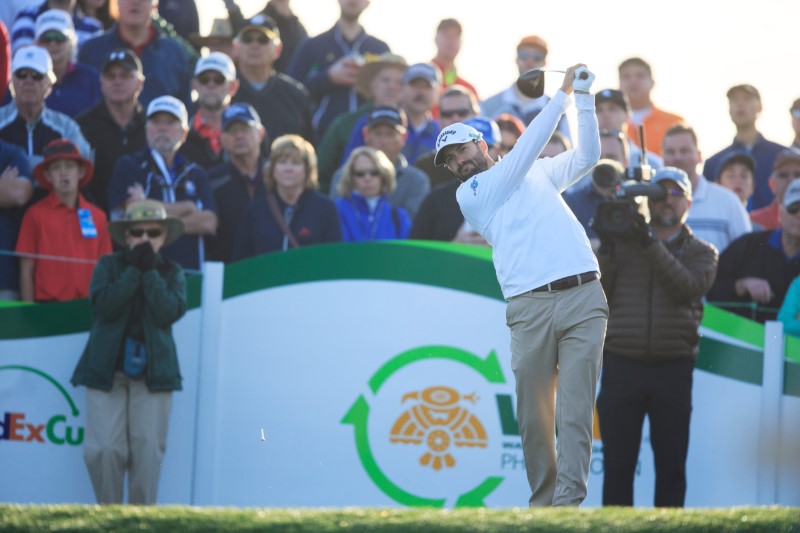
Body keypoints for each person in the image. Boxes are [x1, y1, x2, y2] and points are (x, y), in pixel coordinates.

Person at [435, 64, 605, 506]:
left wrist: (583, 99)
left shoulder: (535, 171)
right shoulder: (471, 194)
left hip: (584, 295)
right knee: (534, 417)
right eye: (450, 160)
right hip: (529, 308)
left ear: (481, 142)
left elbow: (587, 158)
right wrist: (562, 94)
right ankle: (542, 503)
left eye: (460, 149)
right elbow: (525, 153)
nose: (458, 161)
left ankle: (566, 507)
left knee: (574, 410)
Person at [595, 167, 718, 507]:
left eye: (675, 193)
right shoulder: (623, 241)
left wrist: (648, 244)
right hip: (621, 365)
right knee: (618, 467)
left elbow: (686, 289)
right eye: (659, 192)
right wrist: (607, 246)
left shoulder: (703, 252)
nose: (666, 200)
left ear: (690, 202)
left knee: (671, 468)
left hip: (673, 370)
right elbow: (599, 291)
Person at [71, 199, 186, 505]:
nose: (145, 239)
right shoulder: (108, 265)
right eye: (138, 232)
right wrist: (135, 270)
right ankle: (109, 519)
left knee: (148, 453)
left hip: (154, 376)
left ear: (163, 237)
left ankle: (141, 522)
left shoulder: (172, 272)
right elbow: (104, 307)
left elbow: (168, 312)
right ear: (126, 237)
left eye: (153, 232)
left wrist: (148, 273)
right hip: (107, 371)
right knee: (104, 450)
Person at [108, 95, 218, 272]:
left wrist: (148, 207)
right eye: (156, 122)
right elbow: (134, 212)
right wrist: (188, 207)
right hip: (141, 275)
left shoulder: (196, 173)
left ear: (184, 133)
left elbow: (208, 223)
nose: (162, 128)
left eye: (170, 122)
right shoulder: (129, 165)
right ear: (146, 128)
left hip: (191, 276)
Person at [16, 139, 111, 302]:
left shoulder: (98, 217)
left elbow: (107, 267)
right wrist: (28, 312)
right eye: (56, 168)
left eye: (69, 166)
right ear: (47, 176)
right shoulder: (34, 215)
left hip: (90, 306)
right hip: (47, 308)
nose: (63, 172)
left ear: (80, 172)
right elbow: (26, 269)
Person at [286, 0, 389, 142]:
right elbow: (290, 92)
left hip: (371, 139)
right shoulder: (313, 45)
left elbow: (393, 93)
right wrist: (329, 78)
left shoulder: (379, 49)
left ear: (368, 2)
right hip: (320, 136)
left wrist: (368, 81)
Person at [232, 134, 341, 260]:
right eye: (282, 162)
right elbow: (241, 259)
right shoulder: (255, 211)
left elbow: (334, 258)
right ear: (272, 168)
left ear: (307, 170)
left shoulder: (325, 209)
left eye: (296, 163)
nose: (288, 169)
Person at [707, 179, 800, 323]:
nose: (799, 215)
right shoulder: (750, 245)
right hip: (745, 340)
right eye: (794, 207)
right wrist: (741, 285)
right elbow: (710, 287)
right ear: (780, 212)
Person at [316, 51, 406, 192]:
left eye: (399, 82)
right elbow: (321, 174)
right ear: (372, 84)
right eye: (385, 80)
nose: (392, 87)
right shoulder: (344, 124)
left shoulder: (420, 126)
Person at [78, 0, 192, 108]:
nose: (135, 2)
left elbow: (185, 108)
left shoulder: (174, 53)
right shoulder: (92, 50)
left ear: (155, 5)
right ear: (117, 3)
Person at [409, 116, 501, 245]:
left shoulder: (520, 179)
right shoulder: (438, 200)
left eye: (463, 149)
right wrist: (456, 246)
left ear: (482, 146)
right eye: (450, 158)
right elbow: (417, 254)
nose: (459, 161)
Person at [662, 123, 751, 253]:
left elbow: (747, 254)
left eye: (684, 151)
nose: (678, 158)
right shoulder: (652, 202)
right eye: (671, 152)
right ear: (662, 157)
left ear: (699, 156)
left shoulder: (728, 202)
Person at [0, 45, 91, 173]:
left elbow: (83, 165)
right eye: (21, 74)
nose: (28, 81)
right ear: (12, 81)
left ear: (49, 83)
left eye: (37, 75)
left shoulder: (66, 128)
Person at [77, 48, 146, 214]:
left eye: (125, 75)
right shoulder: (82, 126)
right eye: (111, 76)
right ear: (101, 82)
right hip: (95, 223)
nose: (117, 81)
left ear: (140, 83)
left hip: (145, 224)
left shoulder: (153, 125)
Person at [329, 105, 430, 218]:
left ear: (404, 137)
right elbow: (336, 222)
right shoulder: (343, 176)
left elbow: (412, 227)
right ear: (366, 135)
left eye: (390, 134)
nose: (383, 141)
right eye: (378, 133)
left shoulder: (416, 181)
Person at [230, 15, 311, 147]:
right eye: (247, 39)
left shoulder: (296, 95)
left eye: (263, 40)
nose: (254, 45)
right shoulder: (224, 92)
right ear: (235, 47)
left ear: (278, 49)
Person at [702, 84, 786, 211]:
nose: (740, 104)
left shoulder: (783, 157)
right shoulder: (713, 163)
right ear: (729, 108)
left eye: (747, 99)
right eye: (734, 100)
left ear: (760, 107)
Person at [206, 103, 267, 263]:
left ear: (260, 133)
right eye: (232, 130)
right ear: (222, 139)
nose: (239, 136)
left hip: (276, 272)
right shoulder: (212, 181)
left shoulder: (278, 175)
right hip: (230, 275)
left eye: (245, 128)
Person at [481, 35, 569, 140]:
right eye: (524, 55)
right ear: (516, 59)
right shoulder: (489, 105)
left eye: (537, 56)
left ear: (545, 62)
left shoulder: (557, 110)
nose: (530, 61)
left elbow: (567, 151)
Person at [32, 9, 101, 117]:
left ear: (71, 43)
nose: (53, 44)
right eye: (46, 39)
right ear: (36, 45)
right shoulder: (23, 80)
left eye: (59, 38)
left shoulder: (92, 79)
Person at [336, 146, 410, 242]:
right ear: (351, 177)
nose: (367, 178)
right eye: (360, 173)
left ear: (384, 175)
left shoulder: (398, 216)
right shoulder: (336, 210)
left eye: (374, 173)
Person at [414, 84, 479, 189]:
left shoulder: (493, 159)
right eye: (447, 114)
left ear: (476, 115)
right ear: (439, 120)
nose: (455, 119)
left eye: (462, 113)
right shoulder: (424, 167)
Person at [181, 51, 238, 169]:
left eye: (219, 79)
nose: (211, 84)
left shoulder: (249, 132)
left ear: (233, 86)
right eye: (204, 79)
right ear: (194, 85)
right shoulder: (180, 133)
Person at [618, 57, 683, 157]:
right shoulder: (607, 122)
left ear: (652, 82)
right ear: (619, 84)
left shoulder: (674, 122)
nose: (633, 81)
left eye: (640, 75)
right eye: (626, 77)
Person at [594, 88, 662, 169]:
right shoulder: (579, 163)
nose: (605, 115)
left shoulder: (651, 163)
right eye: (599, 110)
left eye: (612, 109)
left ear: (628, 115)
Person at [0, 139, 33, 300]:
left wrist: (6, 191)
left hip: (4, 280)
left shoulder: (12, 153)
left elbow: (20, 195)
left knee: (6, 326)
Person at [11, 0, 102, 53]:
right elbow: (25, 61)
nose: (53, 43)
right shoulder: (27, 17)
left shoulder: (93, 29)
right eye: (46, 39)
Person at [750, 149, 800, 230]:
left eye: (798, 175)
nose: (791, 180)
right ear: (772, 184)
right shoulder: (753, 221)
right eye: (783, 175)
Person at [430, 18, 477, 102]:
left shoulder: (468, 89)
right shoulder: (419, 82)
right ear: (436, 39)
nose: (451, 41)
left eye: (456, 36)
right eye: (447, 35)